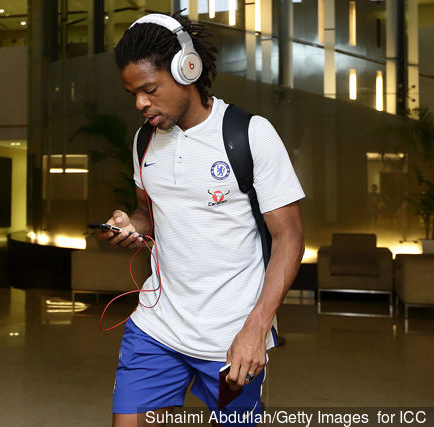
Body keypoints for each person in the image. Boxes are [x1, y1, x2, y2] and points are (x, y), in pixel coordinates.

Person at [100, 14, 306, 427]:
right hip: (157, 327)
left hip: (231, 336)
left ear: (187, 69)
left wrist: (256, 330)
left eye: (149, 90)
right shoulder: (144, 140)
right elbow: (148, 212)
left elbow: (290, 238)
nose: (140, 103)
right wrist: (131, 224)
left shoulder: (250, 134)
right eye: (133, 94)